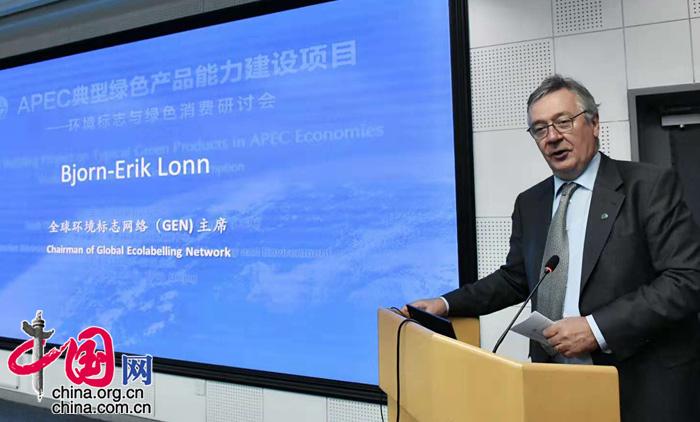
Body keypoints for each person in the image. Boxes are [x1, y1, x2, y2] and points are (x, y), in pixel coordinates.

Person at [404, 74, 700, 422]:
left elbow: (686, 279)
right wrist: (445, 303)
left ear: (594, 124)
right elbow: (515, 279)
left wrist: (597, 328)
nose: (553, 137)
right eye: (540, 129)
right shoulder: (530, 203)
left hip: (639, 384)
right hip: (553, 384)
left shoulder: (648, 186)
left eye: (563, 122)